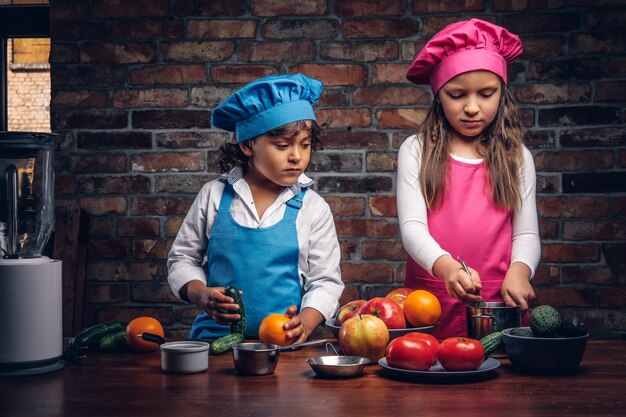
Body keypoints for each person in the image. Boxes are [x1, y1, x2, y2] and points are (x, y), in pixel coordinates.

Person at [167, 73, 344, 343]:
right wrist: (200, 293)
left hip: (283, 346)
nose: (297, 156)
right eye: (283, 145)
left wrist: (306, 323)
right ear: (248, 144)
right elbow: (182, 259)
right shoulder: (214, 196)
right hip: (213, 342)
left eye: (305, 145)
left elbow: (326, 280)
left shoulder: (313, 207)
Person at [398, 18, 541, 338]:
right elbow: (411, 228)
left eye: (486, 94)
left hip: (499, 302)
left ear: (502, 93)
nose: (472, 107)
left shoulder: (517, 156)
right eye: (457, 95)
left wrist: (520, 271)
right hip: (432, 301)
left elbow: (526, 233)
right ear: (438, 95)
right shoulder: (417, 150)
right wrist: (446, 267)